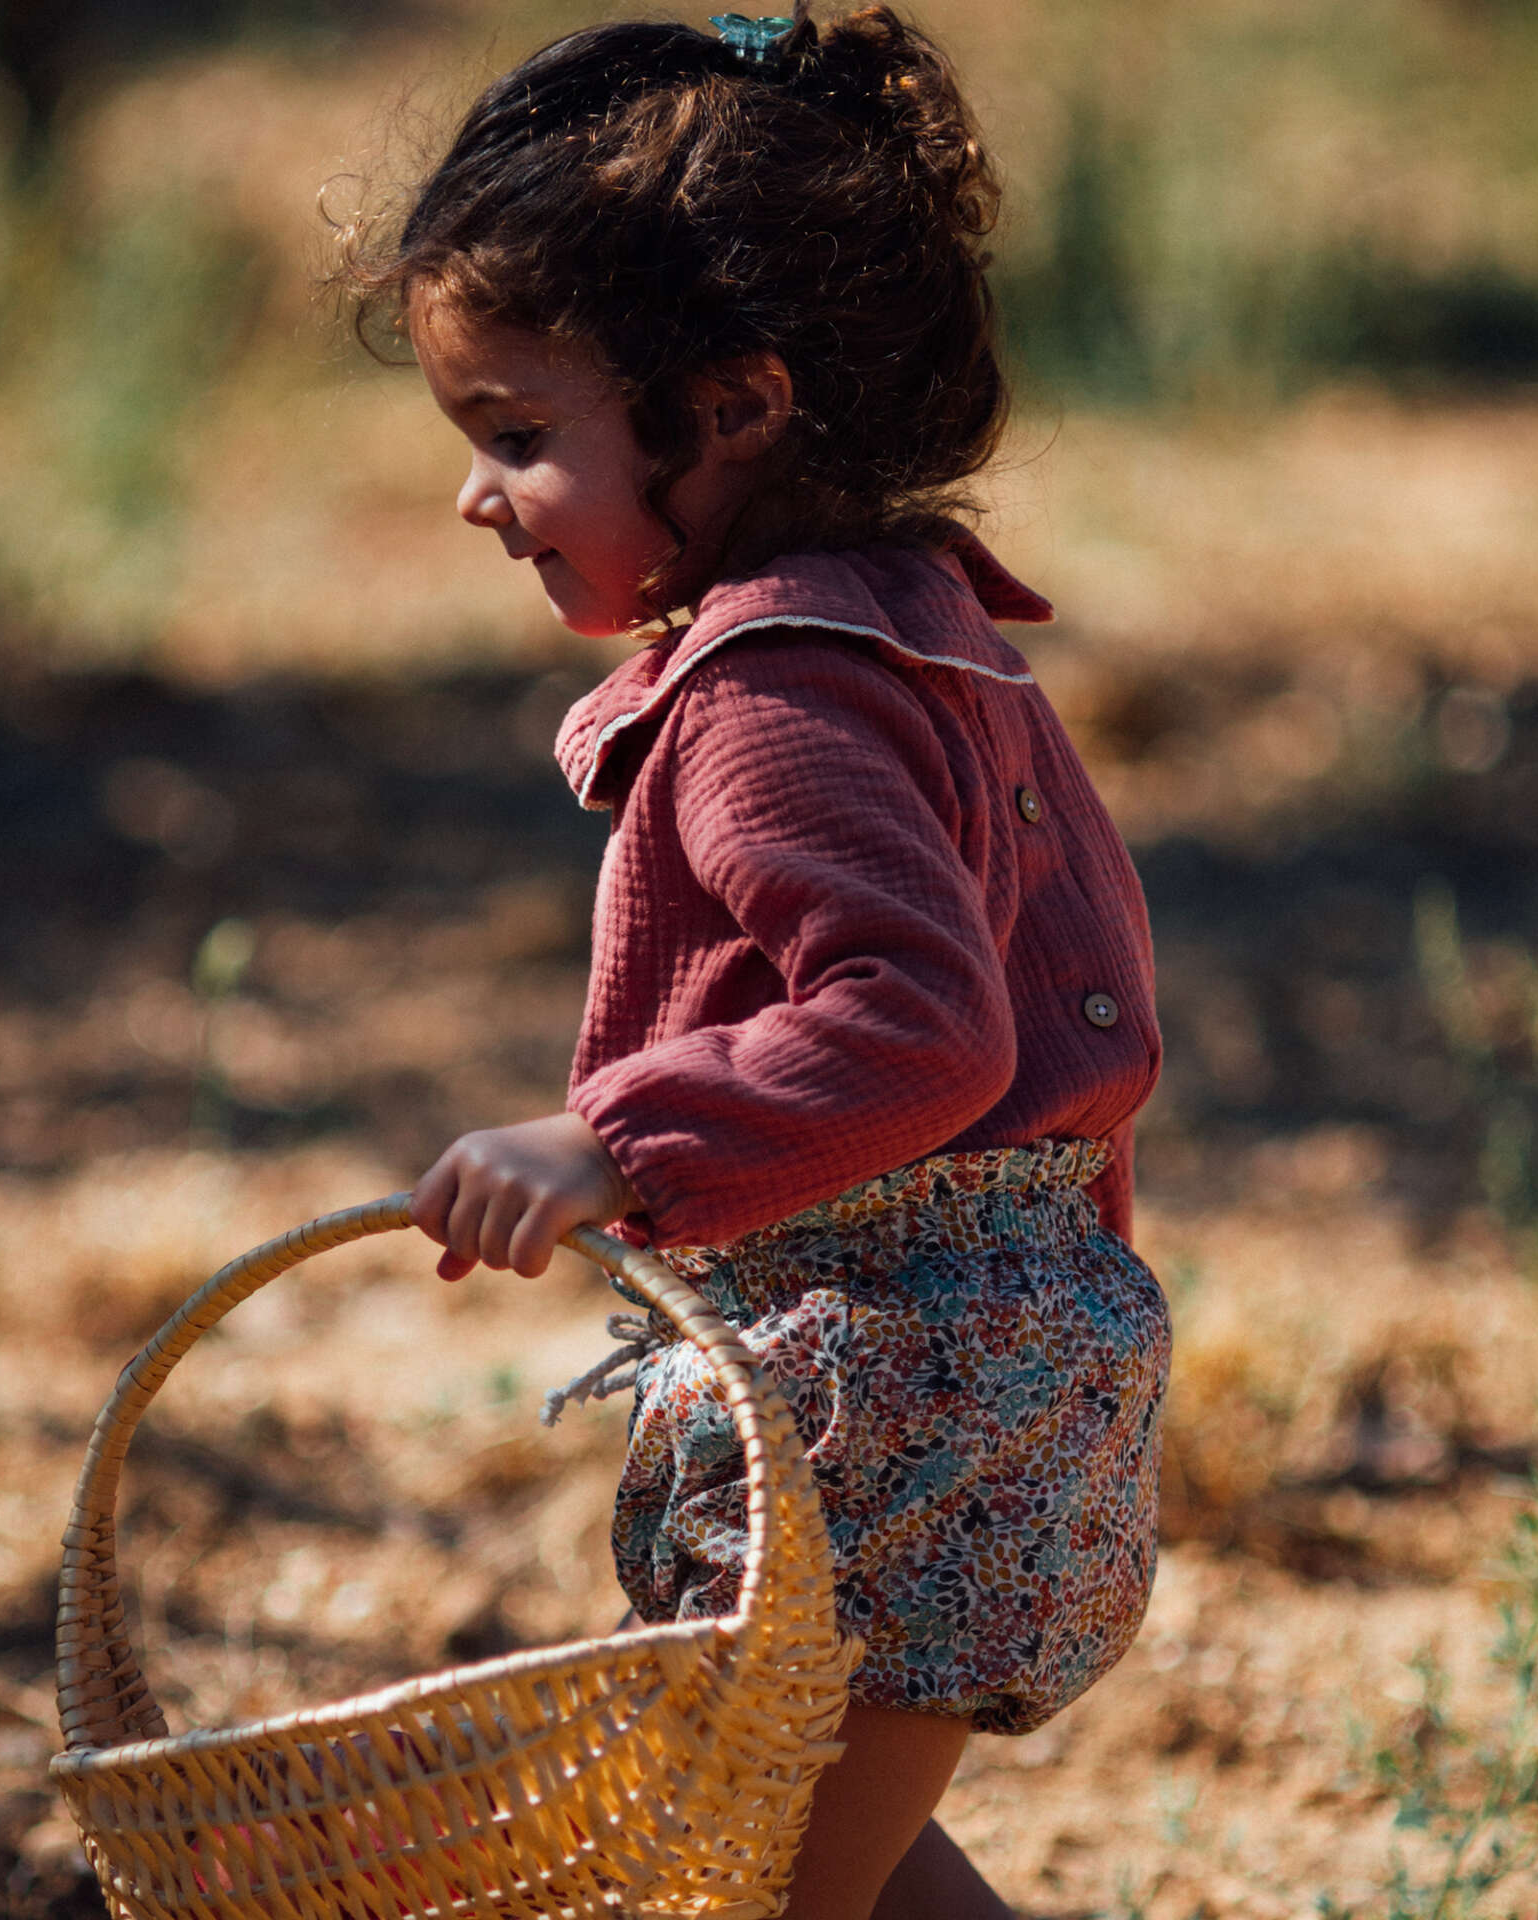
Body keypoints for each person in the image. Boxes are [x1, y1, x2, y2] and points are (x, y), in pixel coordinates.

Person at [333, 8, 1171, 1916]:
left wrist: (612, 1141)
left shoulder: (772, 694)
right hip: (978, 1348)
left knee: (767, 1873)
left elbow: (925, 1025)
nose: (481, 495)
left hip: (901, 1378)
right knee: (831, 1866)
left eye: (520, 438)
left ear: (733, 409)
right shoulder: (914, 626)